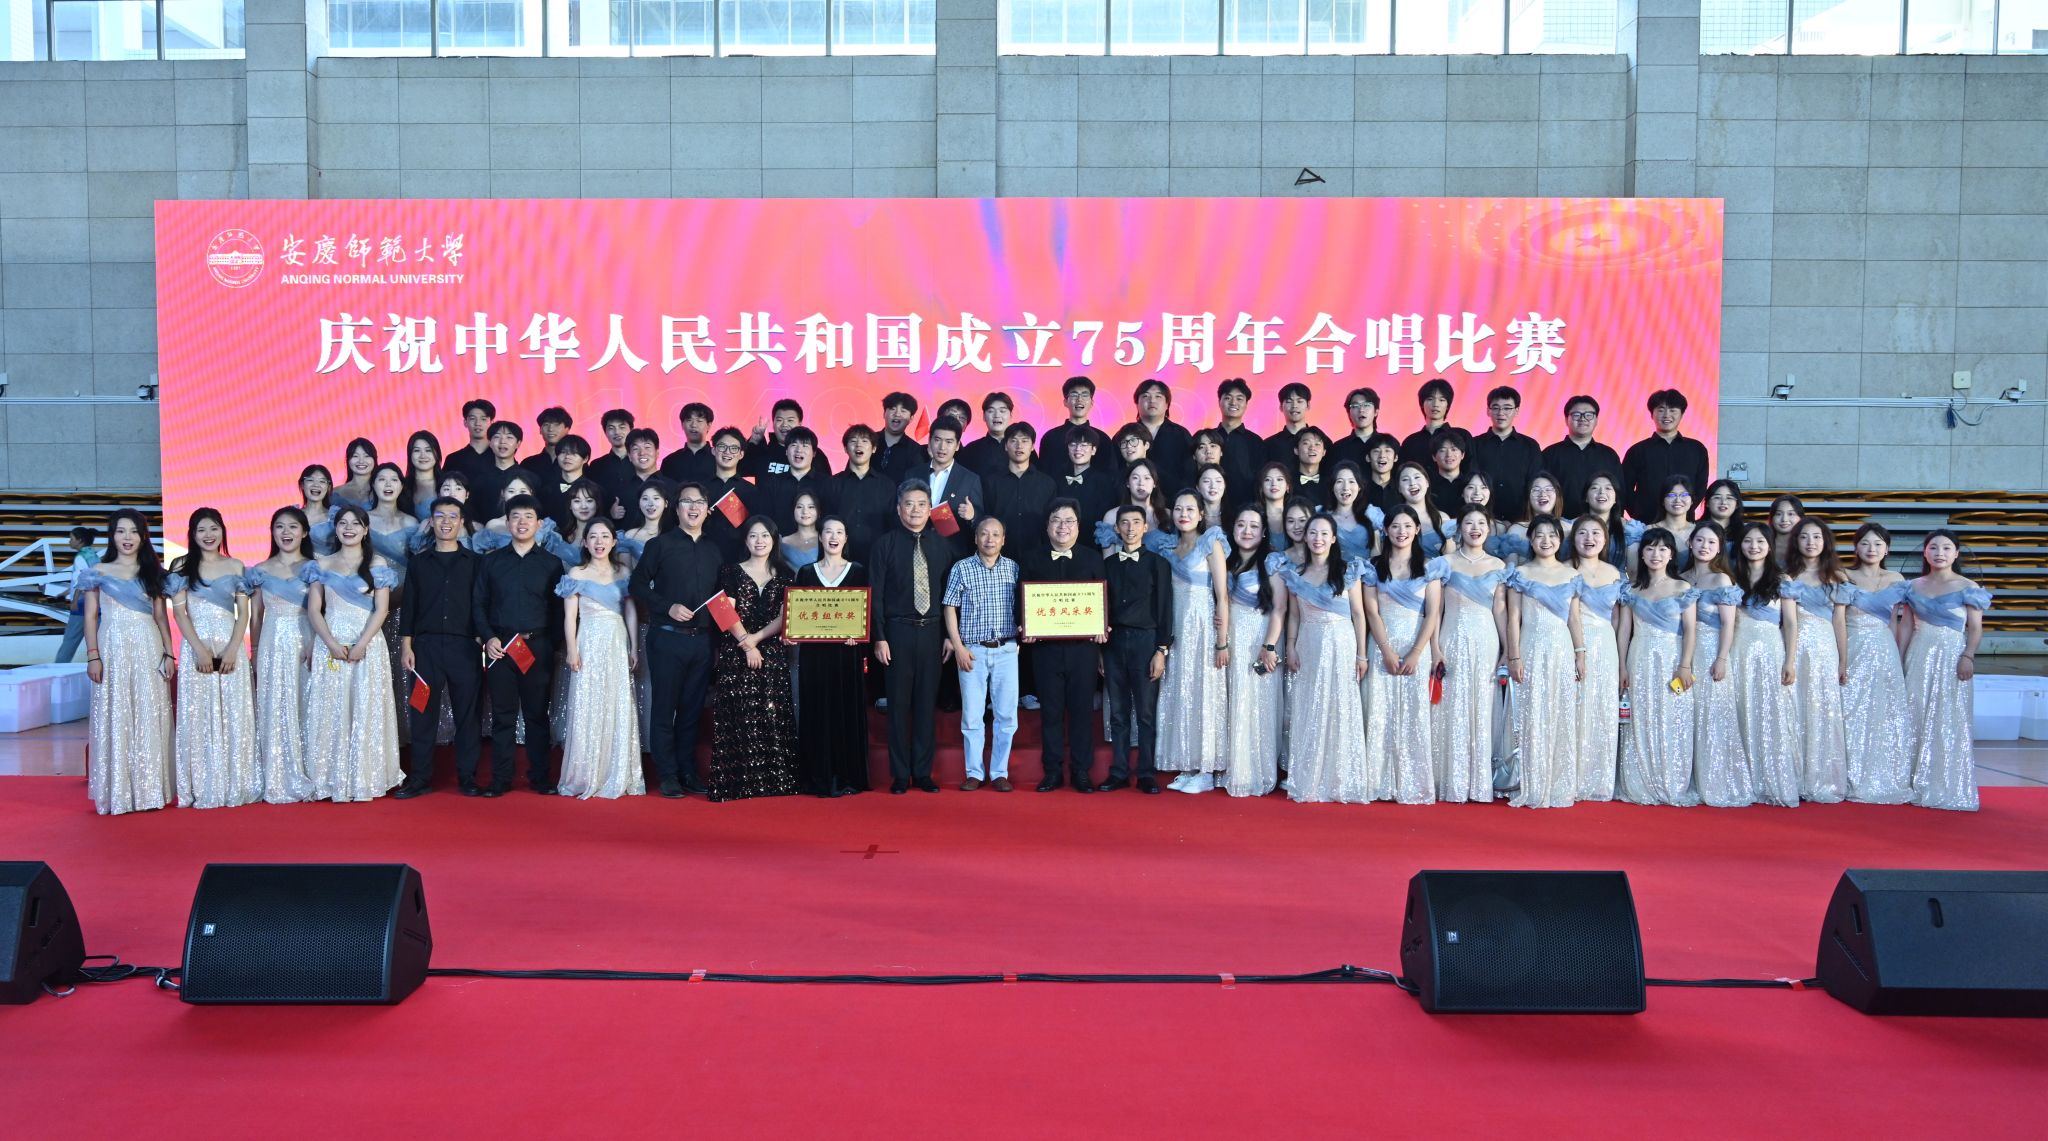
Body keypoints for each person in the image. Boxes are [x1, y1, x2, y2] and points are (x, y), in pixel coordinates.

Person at [300, 505, 404, 802]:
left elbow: (381, 609)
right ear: (335, 529)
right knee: (332, 710)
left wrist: (361, 645)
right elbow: (314, 610)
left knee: (365, 708)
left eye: (355, 523)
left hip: (367, 645)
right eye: (343, 523)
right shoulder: (321, 564)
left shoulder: (377, 563)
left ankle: (365, 778)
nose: (349, 528)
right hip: (330, 644)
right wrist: (331, 643)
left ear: (365, 529)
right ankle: (330, 779)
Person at [81, 509, 176, 815]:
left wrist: (169, 653)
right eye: (121, 531)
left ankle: (149, 791)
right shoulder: (98, 571)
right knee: (116, 713)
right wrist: (93, 656)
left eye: (133, 531)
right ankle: (118, 792)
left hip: (148, 646)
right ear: (112, 535)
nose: (127, 537)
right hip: (112, 648)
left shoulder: (153, 573)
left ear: (143, 536)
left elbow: (160, 617)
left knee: (149, 713)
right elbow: (90, 616)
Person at [631, 482, 721, 798]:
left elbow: (720, 598)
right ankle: (667, 774)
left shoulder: (715, 549)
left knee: (692, 711)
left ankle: (687, 771)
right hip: (667, 639)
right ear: (677, 507)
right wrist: (667, 606)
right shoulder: (660, 545)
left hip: (702, 641)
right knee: (664, 708)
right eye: (687, 502)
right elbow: (636, 585)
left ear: (707, 509)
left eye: (699, 502)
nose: (693, 508)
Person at [1272, 516, 1370, 803]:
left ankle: (1340, 778)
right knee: (1309, 705)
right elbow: (1293, 615)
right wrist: (1291, 646)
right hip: (1309, 643)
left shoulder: (1347, 570)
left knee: (1340, 705)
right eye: (1313, 532)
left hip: (1341, 643)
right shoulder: (1296, 574)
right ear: (1305, 537)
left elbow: (1359, 614)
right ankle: (1308, 775)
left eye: (1324, 533)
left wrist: (1362, 654)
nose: (1318, 538)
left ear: (1334, 538)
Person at [167, 508, 259, 809]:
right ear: (192, 535)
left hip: (231, 649)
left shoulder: (236, 565)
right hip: (197, 650)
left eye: (214, 529)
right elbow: (180, 613)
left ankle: (235, 784)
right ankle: (202, 784)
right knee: (199, 718)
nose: (208, 535)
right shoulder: (181, 566)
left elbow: (243, 614)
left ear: (223, 531)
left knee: (234, 716)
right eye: (201, 530)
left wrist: (234, 649)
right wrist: (199, 650)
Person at [870, 481, 957, 793]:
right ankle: (899, 774)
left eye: (922, 504)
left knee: (925, 704)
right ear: (899, 509)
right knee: (898, 705)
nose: (915, 510)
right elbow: (876, 594)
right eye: (909, 504)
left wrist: (950, 636)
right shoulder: (885, 545)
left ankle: (922, 772)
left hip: (933, 632)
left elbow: (950, 596)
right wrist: (879, 637)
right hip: (897, 632)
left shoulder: (942, 545)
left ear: (930, 508)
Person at [475, 495, 565, 796]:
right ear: (507, 522)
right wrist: (488, 637)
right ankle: (500, 779)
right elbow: (479, 604)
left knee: (537, 715)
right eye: (515, 516)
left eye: (528, 517)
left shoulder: (552, 564)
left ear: (539, 524)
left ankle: (540, 778)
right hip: (500, 648)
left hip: (538, 647)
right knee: (503, 716)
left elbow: (559, 611)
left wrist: (552, 646)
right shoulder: (491, 562)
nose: (522, 522)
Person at [396, 496, 485, 798]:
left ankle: (468, 778)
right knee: (422, 712)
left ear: (462, 523)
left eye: (453, 516)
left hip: (465, 648)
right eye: (440, 516)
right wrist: (407, 646)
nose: (446, 522)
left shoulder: (475, 563)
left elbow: (482, 604)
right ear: (431, 522)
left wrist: (480, 638)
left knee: (468, 716)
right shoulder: (419, 563)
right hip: (425, 649)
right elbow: (409, 606)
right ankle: (420, 778)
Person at [549, 519, 643, 800]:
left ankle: (616, 772)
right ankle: (585, 774)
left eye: (604, 536)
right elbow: (570, 617)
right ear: (585, 542)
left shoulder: (623, 572)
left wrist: (634, 647)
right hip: (588, 641)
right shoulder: (576, 573)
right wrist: (572, 650)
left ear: (613, 542)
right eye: (593, 536)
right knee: (587, 703)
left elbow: (631, 612)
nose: (599, 542)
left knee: (617, 702)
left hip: (616, 641)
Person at [709, 518, 799, 801]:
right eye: (753, 536)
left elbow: (786, 615)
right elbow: (723, 611)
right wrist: (746, 644)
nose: (759, 541)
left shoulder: (786, 575)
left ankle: (775, 782)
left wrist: (756, 640)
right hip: (735, 649)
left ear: (774, 540)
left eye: (765, 536)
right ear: (745, 540)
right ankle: (737, 783)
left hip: (771, 650)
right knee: (738, 713)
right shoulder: (730, 571)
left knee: (772, 713)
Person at [1022, 501, 1107, 792]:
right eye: (1056, 520)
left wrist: (1102, 628)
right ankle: (1053, 771)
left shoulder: (1093, 559)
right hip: (1045, 650)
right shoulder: (1032, 559)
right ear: (1047, 526)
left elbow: (1103, 601)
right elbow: (1021, 601)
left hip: (1083, 650)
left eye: (1069, 520)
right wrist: (1025, 626)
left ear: (1078, 526)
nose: (1062, 526)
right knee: (1051, 711)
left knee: (1082, 711)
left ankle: (1081, 771)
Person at [1149, 492, 1230, 793]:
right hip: (1176, 627)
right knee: (1181, 691)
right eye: (1179, 509)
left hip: (1203, 628)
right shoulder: (1168, 547)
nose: (1184, 514)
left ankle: (1206, 769)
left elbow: (1222, 596)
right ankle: (1187, 763)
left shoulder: (1211, 543)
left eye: (1190, 509)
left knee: (1204, 693)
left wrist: (1221, 642)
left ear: (1201, 514)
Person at [1901, 530, 1988, 811]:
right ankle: (1911, 781)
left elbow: (1975, 628)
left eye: (1946, 548)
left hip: (1952, 656)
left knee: (1949, 716)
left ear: (1956, 553)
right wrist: (1899, 660)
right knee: (1915, 712)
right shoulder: (1912, 586)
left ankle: (1945, 783)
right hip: (1919, 653)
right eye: (1934, 547)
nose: (1940, 552)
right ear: (1925, 552)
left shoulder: (1969, 587)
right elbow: (1906, 626)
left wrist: (1968, 656)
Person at [1364, 507, 1444, 804]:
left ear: (1417, 529)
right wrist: (1386, 650)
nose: (1401, 531)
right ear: (1385, 530)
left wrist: (1417, 652)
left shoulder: (1430, 566)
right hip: (1381, 646)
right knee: (1380, 712)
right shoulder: (1372, 567)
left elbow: (1432, 613)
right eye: (1395, 526)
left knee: (1414, 714)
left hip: (1416, 646)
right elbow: (1371, 611)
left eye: (1407, 526)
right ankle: (1378, 782)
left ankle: (1413, 783)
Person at [1504, 515, 1584, 809]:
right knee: (1530, 711)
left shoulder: (1571, 574)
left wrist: (1580, 654)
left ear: (1560, 540)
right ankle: (1528, 780)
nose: (1546, 540)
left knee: (1560, 711)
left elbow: (1574, 619)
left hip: (1561, 649)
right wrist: (1514, 655)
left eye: (1552, 535)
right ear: (1531, 539)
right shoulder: (1520, 574)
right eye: (1540, 535)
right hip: (1531, 647)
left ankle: (1557, 781)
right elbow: (1513, 618)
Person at [1616, 528, 1701, 807]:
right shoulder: (1632, 590)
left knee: (1673, 716)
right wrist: (1622, 666)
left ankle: (1672, 779)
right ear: (1641, 554)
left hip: (1671, 659)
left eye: (1663, 549)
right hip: (1639, 657)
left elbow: (1690, 631)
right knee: (1640, 715)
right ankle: (1640, 780)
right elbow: (1624, 630)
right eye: (1650, 548)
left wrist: (1685, 664)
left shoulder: (1683, 588)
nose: (1656, 554)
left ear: (1672, 555)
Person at [1433, 506, 1508, 804]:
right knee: (1451, 705)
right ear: (1459, 528)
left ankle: (1479, 782)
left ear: (1489, 529)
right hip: (1451, 637)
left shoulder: (1498, 565)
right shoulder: (1444, 563)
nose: (1475, 528)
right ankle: (1449, 779)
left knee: (1482, 704)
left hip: (1486, 640)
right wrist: (1435, 647)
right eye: (1469, 523)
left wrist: (1507, 649)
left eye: (1481, 523)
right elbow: (1435, 610)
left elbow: (1500, 609)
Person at [943, 516, 1023, 791]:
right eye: (984, 534)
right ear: (975, 538)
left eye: (996, 534)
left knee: (1006, 715)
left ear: (1004, 540)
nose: (990, 539)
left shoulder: (1013, 568)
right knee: (972, 716)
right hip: (972, 651)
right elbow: (950, 607)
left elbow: (1024, 606)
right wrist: (958, 646)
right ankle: (974, 772)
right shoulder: (961, 568)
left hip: (1006, 650)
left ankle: (999, 772)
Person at [793, 517, 871, 797]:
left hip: (846, 654)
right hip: (814, 656)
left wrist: (858, 633)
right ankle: (817, 776)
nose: (833, 537)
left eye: (839, 532)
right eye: (828, 532)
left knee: (844, 710)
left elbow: (865, 613)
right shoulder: (806, 573)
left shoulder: (858, 571)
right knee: (816, 711)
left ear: (846, 538)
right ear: (820, 537)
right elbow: (798, 614)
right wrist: (794, 632)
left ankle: (846, 776)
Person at [245, 507, 317, 804]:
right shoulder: (260, 570)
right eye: (279, 527)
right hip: (272, 643)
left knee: (307, 703)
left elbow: (321, 611)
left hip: (306, 639)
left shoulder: (315, 568)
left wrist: (316, 643)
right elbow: (256, 616)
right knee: (275, 705)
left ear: (304, 532)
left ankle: (312, 771)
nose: (286, 533)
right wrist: (255, 651)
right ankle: (277, 775)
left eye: (293, 527)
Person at [1838, 523, 1913, 804]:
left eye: (1878, 544)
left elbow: (1895, 621)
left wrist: (1898, 654)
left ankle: (1883, 774)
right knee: (1851, 710)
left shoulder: (1896, 578)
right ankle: (1849, 775)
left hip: (1884, 647)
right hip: (1853, 644)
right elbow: (1838, 619)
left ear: (1887, 549)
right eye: (1865, 543)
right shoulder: (1844, 575)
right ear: (1855, 547)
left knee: (1884, 711)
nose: (1872, 549)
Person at [1099, 505, 1172, 794]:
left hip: (1146, 642)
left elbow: (1165, 609)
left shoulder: (1158, 564)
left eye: (1136, 522)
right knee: (1118, 713)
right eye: (1125, 523)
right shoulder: (1107, 565)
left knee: (1145, 713)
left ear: (1145, 528)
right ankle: (1118, 771)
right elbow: (1100, 609)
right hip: (1114, 642)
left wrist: (1161, 650)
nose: (1130, 528)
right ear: (1117, 529)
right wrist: (1100, 651)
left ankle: (1146, 773)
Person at [1730, 521, 1803, 807]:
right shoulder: (1732, 577)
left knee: (1770, 712)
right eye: (1748, 541)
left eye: (1760, 541)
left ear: (1770, 546)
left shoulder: (1782, 580)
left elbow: (1791, 623)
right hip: (1738, 648)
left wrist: (1790, 660)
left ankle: (1771, 778)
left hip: (1770, 650)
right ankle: (1743, 779)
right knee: (1740, 709)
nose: (1754, 546)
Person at [1682, 523, 1753, 807]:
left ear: (1720, 547)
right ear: (1690, 543)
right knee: (1687, 712)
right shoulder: (1681, 577)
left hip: (1711, 651)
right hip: (1683, 651)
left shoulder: (1722, 579)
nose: (1704, 546)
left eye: (1711, 542)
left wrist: (1722, 658)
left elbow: (1728, 624)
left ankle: (1716, 779)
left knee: (1712, 713)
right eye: (1699, 540)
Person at [1219, 508, 1287, 797]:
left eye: (1253, 526)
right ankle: (1233, 768)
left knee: (1258, 705)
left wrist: (1269, 645)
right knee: (1234, 701)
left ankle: (1257, 772)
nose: (1246, 531)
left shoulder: (1271, 562)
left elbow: (1280, 608)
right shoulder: (1226, 559)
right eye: (1241, 524)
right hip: (1232, 638)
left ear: (1263, 532)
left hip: (1260, 638)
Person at [1783, 516, 1850, 803]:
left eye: (1817, 537)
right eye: (1804, 537)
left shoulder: (1837, 577)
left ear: (1826, 542)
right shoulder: (1787, 576)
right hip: (1794, 647)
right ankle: (1793, 776)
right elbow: (1786, 620)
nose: (1810, 542)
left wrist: (1843, 661)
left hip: (1824, 648)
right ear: (1795, 541)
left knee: (1822, 708)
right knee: (1793, 707)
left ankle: (1822, 777)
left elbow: (1840, 622)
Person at [1568, 516, 1626, 802]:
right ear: (1573, 538)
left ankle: (1598, 778)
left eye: (1595, 533)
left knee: (1602, 707)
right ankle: (1572, 775)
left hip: (1606, 645)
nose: (1589, 539)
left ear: (1605, 540)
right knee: (1575, 707)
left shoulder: (1615, 573)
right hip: (1572, 643)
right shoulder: (1565, 570)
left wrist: (1621, 661)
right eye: (1582, 533)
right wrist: (1578, 650)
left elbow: (1617, 619)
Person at [1621, 389, 1711, 523]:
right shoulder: (1637, 451)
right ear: (1652, 414)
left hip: (1684, 524)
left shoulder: (1697, 449)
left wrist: (1683, 511)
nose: (1667, 415)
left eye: (1673, 410)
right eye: (1661, 410)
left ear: (1682, 414)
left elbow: (1700, 487)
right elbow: (1625, 488)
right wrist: (1639, 514)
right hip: (1646, 523)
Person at [1540, 395, 1623, 518]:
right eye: (1576, 415)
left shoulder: (1609, 455)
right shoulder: (1550, 454)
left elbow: (1620, 493)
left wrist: (1616, 521)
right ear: (1566, 419)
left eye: (1589, 415)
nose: (1583, 419)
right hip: (1559, 522)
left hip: (1600, 524)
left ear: (1596, 420)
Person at [1468, 386, 1542, 522]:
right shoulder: (1474, 444)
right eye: (1495, 408)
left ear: (1516, 411)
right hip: (1483, 519)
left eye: (1507, 408)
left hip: (1521, 520)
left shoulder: (1530, 446)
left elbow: (1535, 482)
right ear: (1488, 411)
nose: (1501, 413)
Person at [911, 416, 985, 552]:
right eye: (937, 440)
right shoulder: (913, 474)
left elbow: (981, 521)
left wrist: (972, 516)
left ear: (957, 446)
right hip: (915, 549)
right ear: (929, 442)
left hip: (952, 553)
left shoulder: (970, 479)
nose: (942, 447)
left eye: (949, 442)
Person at [984, 421, 1056, 560]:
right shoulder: (991, 482)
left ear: (1032, 446)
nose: (1019, 446)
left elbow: (1051, 521)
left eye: (1024, 441)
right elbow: (986, 517)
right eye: (1013, 441)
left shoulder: (1047, 483)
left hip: (1038, 556)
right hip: (999, 555)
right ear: (1006, 446)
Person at [825, 425, 896, 563]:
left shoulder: (887, 485)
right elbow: (826, 520)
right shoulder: (832, 483)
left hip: (877, 556)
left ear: (874, 448)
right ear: (845, 449)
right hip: (840, 556)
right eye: (853, 441)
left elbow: (891, 523)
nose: (858, 445)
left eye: (864, 441)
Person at [701, 426, 763, 562]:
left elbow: (756, 528)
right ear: (713, 450)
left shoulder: (751, 491)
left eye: (734, 448)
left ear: (741, 454)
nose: (727, 452)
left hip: (740, 559)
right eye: (722, 446)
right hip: (704, 557)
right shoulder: (700, 489)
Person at [1039, 376, 1114, 481]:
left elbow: (1110, 476)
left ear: (1092, 402)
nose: (1079, 399)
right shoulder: (1050, 437)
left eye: (1085, 395)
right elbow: (1043, 475)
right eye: (1074, 395)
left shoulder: (1102, 439)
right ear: (1065, 401)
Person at [758, 427, 830, 534]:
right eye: (794, 445)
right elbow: (764, 520)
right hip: (780, 543)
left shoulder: (827, 484)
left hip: (816, 543)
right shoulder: (772, 483)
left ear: (814, 453)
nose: (799, 450)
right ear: (786, 451)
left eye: (805, 446)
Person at [743, 398, 834, 481]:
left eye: (790, 420)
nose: (784, 425)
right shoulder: (763, 451)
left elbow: (826, 485)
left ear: (800, 423)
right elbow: (741, 470)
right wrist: (754, 440)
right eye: (779, 420)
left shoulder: (812, 453)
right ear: (773, 423)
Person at [1127, 378, 1193, 491]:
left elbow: (1189, 472)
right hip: (1133, 497)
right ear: (1137, 403)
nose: (1152, 400)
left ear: (1167, 404)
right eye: (1145, 396)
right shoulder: (1126, 434)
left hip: (1173, 497)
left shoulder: (1181, 434)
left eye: (1158, 396)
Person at [1211, 377, 1263, 504]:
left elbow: (1260, 479)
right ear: (1219, 402)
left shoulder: (1256, 442)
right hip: (1209, 504)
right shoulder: (1208, 438)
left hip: (1245, 507)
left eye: (1239, 399)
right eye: (1228, 398)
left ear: (1246, 404)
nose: (1233, 402)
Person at [54, 526, 101, 663]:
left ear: (79, 540)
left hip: (82, 603)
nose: (69, 541)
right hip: (97, 602)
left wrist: (74, 601)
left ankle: (59, 668)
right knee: (98, 642)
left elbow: (81, 581)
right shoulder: (93, 555)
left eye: (71, 538)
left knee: (70, 640)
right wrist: (64, 593)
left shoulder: (80, 557)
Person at [1634, 475, 1699, 572]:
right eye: (1671, 495)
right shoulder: (1649, 530)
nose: (1678, 500)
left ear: (1692, 500)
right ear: (1662, 501)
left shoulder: (1699, 532)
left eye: (1684, 495)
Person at [1578, 472, 1641, 571]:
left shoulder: (1630, 529)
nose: (1602, 492)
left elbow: (1633, 572)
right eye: (1595, 488)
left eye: (1608, 488)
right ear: (1586, 497)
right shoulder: (1571, 527)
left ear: (1616, 498)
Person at [470, 422, 527, 519]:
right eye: (497, 437)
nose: (502, 441)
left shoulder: (529, 478)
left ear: (518, 444)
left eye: (509, 437)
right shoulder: (478, 479)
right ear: (490, 443)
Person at [1392, 461, 1450, 557]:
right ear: (1399, 488)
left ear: (1427, 483)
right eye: (1405, 479)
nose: (1412, 483)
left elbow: (1450, 558)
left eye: (1417, 477)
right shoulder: (1393, 519)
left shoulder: (1442, 518)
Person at [614, 428, 667, 530]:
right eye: (635, 449)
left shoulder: (672, 487)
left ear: (657, 453)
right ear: (629, 456)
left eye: (647, 447)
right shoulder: (620, 489)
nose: (642, 453)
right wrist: (612, 514)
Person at [959, 391, 1017, 483]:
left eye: (1002, 411)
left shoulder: (1022, 447)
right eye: (991, 411)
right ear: (984, 416)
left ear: (1011, 415)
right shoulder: (971, 449)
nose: (997, 415)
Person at [1400, 378, 1458, 466]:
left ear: (1447, 406)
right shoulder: (1410, 442)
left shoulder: (1461, 436)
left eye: (1441, 400)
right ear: (1422, 404)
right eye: (1430, 399)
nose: (1435, 404)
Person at [587, 408, 637, 508]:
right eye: (611, 428)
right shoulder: (596, 465)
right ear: (605, 432)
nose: (617, 432)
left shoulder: (641, 461)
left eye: (622, 427)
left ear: (631, 430)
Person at [1327, 387, 1382, 474]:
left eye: (1366, 405)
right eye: (1355, 406)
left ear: (1376, 412)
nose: (1361, 410)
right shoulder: (1338, 448)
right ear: (1349, 413)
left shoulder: (1388, 445)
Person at [876, 391, 929, 481]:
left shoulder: (915, 450)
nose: (897, 414)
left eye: (903, 411)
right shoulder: (868, 440)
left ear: (911, 418)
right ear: (884, 414)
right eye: (892, 409)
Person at [659, 402, 716, 484]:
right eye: (689, 420)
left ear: (709, 426)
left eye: (699, 421)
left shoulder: (719, 458)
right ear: (682, 425)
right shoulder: (670, 461)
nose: (693, 425)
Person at [446, 398, 498, 484]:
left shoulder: (501, 456)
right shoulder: (454, 459)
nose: (478, 423)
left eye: (483, 419)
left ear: (491, 423)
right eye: (473, 418)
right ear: (465, 422)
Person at [1262, 381, 1315, 463]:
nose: (1294, 406)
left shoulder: (1320, 442)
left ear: (1308, 406)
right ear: (1281, 407)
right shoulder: (1269, 444)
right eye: (1289, 401)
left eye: (1299, 401)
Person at [1425, 430, 1471, 517]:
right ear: (1434, 457)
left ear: (1462, 455)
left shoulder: (1470, 484)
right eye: (1442, 450)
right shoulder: (1426, 486)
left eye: (1454, 449)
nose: (1449, 455)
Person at [520, 406, 573, 478]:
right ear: (540, 430)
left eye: (556, 425)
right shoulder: (528, 463)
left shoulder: (576, 462)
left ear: (567, 429)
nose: (550, 429)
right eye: (546, 424)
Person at [402, 430, 444, 520]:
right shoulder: (402, 485)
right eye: (417, 450)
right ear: (410, 455)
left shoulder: (446, 483)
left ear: (437, 454)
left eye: (428, 450)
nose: (423, 456)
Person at [1290, 426, 1334, 508]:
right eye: (1306, 443)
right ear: (1296, 450)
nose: (1312, 448)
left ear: (1324, 452)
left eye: (1317, 444)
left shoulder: (1331, 484)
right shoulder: (1287, 483)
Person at [1255, 461, 1295, 553]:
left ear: (1288, 486)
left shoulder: (1295, 516)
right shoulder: (1254, 517)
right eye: (1267, 480)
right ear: (1261, 487)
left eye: (1279, 479)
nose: (1274, 484)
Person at [299, 463, 338, 554]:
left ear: (328, 487)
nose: (316, 485)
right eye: (310, 480)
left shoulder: (336, 517)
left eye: (322, 481)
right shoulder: (292, 516)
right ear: (302, 485)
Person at [780, 491, 823, 573]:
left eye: (811, 507)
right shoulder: (782, 542)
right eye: (799, 507)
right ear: (793, 511)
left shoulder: (826, 539)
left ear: (819, 512)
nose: (805, 512)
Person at [333, 437, 378, 512]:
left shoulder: (383, 491)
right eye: (355, 456)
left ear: (375, 459)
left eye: (366, 456)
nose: (361, 461)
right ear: (348, 460)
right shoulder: (335, 493)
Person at [1767, 495, 1805, 565]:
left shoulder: (1807, 545)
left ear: (1801, 517)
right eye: (1778, 514)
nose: (1784, 519)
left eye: (1790, 514)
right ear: (1772, 518)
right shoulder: (1763, 544)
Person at [1194, 464, 1229, 532]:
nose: (1213, 486)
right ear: (1198, 487)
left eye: (1218, 481)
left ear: (1225, 485)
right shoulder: (1192, 517)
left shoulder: (1234, 518)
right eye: (1206, 481)